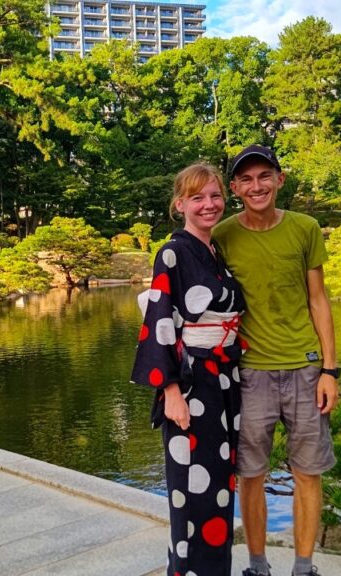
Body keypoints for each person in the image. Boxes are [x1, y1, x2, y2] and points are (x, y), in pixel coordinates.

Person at [213, 145, 339, 576]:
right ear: (234, 188)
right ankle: (257, 565)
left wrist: (329, 369)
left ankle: (304, 567)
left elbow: (318, 300)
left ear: (280, 180)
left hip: (305, 368)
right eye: (246, 179)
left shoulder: (305, 228)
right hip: (250, 373)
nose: (257, 186)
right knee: (250, 473)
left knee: (308, 471)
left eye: (264, 176)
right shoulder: (223, 236)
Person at [131, 163, 247, 576]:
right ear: (179, 204)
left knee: (218, 489)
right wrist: (171, 392)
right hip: (193, 383)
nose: (208, 205)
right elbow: (161, 321)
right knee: (192, 489)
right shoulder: (173, 252)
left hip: (225, 381)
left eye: (215, 196)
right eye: (197, 198)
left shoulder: (216, 253)